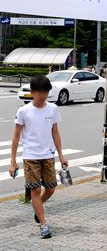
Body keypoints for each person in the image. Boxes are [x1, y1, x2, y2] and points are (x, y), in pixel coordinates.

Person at [9, 75, 68, 239]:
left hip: (48, 155)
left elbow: (55, 132)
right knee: (35, 189)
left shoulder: (53, 109)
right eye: (40, 92)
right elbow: (15, 137)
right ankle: (43, 224)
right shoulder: (23, 111)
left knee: (50, 188)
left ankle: (38, 207)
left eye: (46, 92)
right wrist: (12, 162)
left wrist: (61, 155)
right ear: (33, 92)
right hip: (30, 156)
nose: (43, 95)